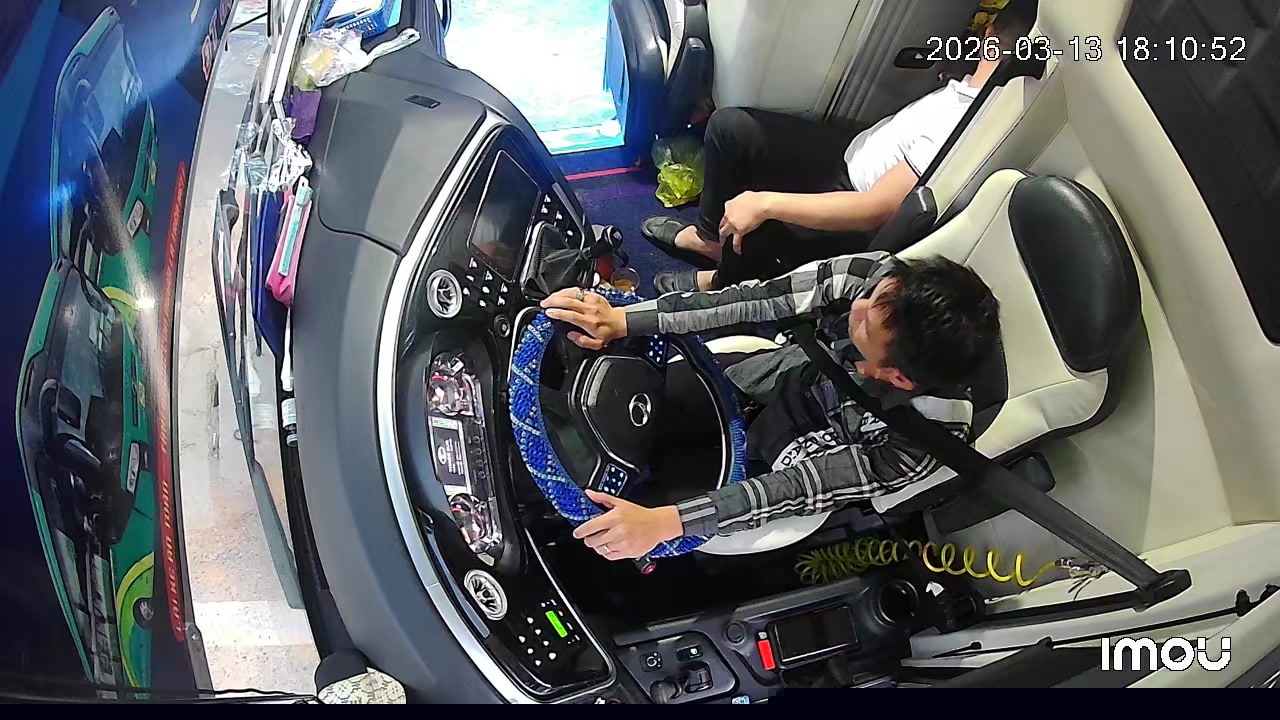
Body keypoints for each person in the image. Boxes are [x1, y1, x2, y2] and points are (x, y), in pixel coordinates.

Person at [539, 250, 1000, 561]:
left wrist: (666, 523)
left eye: (864, 327)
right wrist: (625, 319)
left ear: (897, 377)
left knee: (648, 504)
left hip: (795, 455)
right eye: (870, 299)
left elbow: (795, 487)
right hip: (772, 375)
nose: (856, 308)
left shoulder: (922, 441)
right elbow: (756, 299)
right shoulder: (875, 279)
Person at [640, 1, 1037, 294]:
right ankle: (711, 239)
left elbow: (874, 209)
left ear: (989, 35)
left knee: (758, 223)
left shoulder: (963, 122)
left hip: (852, 197)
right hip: (847, 151)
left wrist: (765, 203)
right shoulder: (966, 86)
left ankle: (723, 280)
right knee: (730, 128)